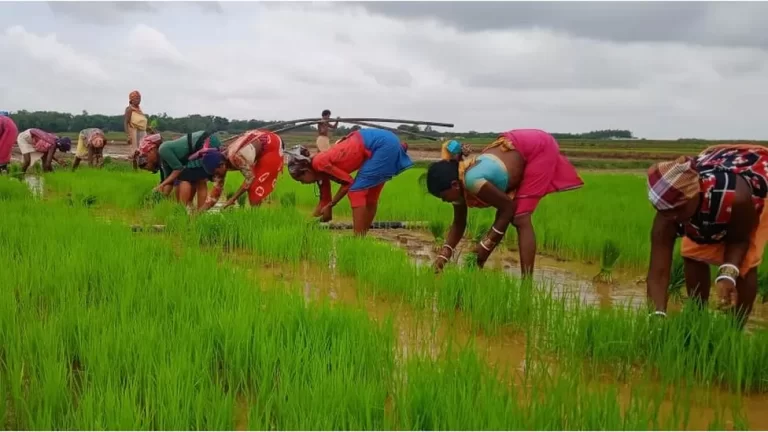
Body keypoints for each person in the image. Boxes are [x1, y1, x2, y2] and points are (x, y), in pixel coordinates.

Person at [425, 129, 584, 275]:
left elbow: (508, 207)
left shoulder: (472, 180)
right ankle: (479, 264)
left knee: (520, 218)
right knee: (506, 218)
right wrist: (443, 257)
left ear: (453, 185)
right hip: (515, 145)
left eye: (444, 197)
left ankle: (526, 286)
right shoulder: (458, 184)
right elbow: (459, 223)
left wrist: (485, 246)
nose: (445, 201)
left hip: (537, 147)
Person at [645, 145, 768, 328]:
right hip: (709, 181)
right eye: (665, 212)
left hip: (753, 186)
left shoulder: (737, 199)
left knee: (745, 265)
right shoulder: (668, 212)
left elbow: (739, 240)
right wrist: (656, 317)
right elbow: (658, 272)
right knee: (692, 254)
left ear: (695, 194)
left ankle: (735, 329)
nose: (673, 218)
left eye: (678, 210)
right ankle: (697, 317)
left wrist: (727, 273)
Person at [285, 127, 413, 235]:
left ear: (306, 171)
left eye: (300, 179)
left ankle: (357, 240)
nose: (302, 183)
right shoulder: (321, 175)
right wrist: (307, 225)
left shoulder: (319, 163)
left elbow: (348, 183)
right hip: (382, 145)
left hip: (380, 145)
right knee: (370, 197)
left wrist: (331, 206)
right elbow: (324, 203)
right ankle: (361, 238)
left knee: (356, 191)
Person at [196, 129, 285, 212]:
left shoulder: (237, 157)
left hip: (271, 145)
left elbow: (250, 178)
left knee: (254, 188)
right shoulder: (220, 164)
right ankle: (255, 216)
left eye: (216, 173)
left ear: (221, 165)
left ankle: (256, 218)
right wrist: (197, 214)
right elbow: (214, 196)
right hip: (258, 143)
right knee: (253, 185)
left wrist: (232, 199)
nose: (216, 176)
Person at [139, 130, 222, 209]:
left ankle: (184, 210)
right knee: (198, 179)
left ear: (152, 150)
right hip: (207, 141)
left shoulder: (163, 149)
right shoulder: (164, 159)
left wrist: (161, 185)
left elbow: (178, 170)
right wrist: (155, 199)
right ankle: (194, 212)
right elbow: (169, 183)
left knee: (184, 177)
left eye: (146, 156)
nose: (147, 160)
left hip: (205, 142)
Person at [124, 90, 148, 169]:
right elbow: (126, 122)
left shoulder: (140, 110)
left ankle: (142, 167)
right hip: (133, 130)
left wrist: (150, 129)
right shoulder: (129, 109)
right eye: (136, 98)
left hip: (142, 131)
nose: (139, 100)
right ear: (131, 100)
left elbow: (142, 122)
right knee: (135, 150)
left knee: (143, 149)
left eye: (139, 98)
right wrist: (128, 135)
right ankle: (135, 169)